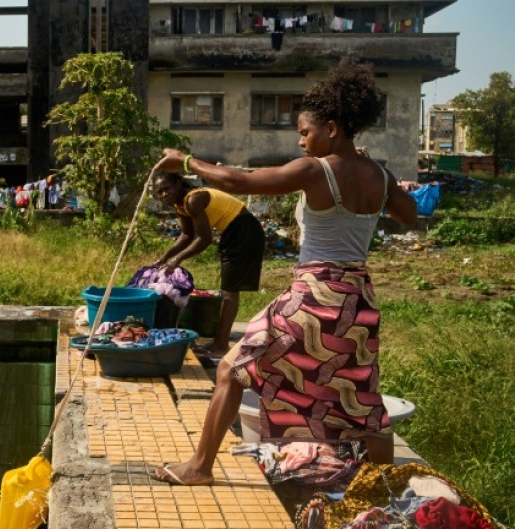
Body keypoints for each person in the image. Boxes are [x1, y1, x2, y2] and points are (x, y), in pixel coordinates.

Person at [150, 59, 417, 486]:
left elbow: (238, 180)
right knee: (364, 399)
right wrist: (379, 175)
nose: (301, 141)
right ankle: (383, 491)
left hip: (314, 293)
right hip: (358, 300)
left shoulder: (316, 169)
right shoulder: (378, 174)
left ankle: (198, 468)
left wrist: (187, 161)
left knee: (232, 370)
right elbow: (410, 213)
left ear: (332, 127)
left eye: (305, 132)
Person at [151, 173, 265, 354]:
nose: (163, 194)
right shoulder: (180, 205)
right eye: (159, 192)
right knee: (228, 290)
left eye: (166, 188)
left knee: (229, 292)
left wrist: (178, 258)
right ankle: (220, 342)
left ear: (178, 183)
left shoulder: (193, 199)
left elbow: (204, 239)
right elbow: (187, 235)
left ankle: (221, 344)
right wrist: (164, 258)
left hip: (244, 230)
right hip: (233, 231)